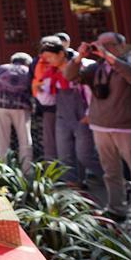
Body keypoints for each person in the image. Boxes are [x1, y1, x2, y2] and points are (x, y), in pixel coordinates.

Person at [64, 32, 131, 226]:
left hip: (128, 127)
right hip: (101, 126)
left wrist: (109, 57)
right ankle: (116, 209)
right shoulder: (95, 68)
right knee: (110, 172)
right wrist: (80, 57)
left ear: (121, 46)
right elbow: (69, 75)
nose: (103, 47)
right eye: (99, 45)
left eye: (109, 44)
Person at [39, 38, 102, 187]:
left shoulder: (82, 67)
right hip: (62, 115)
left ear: (61, 53)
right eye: (45, 58)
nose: (48, 60)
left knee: (85, 155)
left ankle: (117, 180)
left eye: (50, 57)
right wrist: (41, 90)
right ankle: (74, 184)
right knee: (65, 154)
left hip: (82, 115)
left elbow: (90, 93)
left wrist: (90, 113)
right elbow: (48, 99)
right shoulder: (51, 73)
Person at [0, 52, 34, 173]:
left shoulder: (2, 68)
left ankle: (3, 170)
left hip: (0, 106)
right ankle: (27, 171)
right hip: (21, 107)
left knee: (2, 139)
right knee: (25, 139)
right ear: (27, 62)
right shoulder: (27, 70)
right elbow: (32, 89)